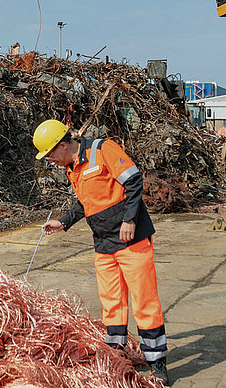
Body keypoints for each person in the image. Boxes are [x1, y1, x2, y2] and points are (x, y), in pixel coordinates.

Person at [33, 119, 170, 385]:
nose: (50, 160)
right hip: (104, 243)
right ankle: (116, 356)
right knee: (112, 303)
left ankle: (158, 364)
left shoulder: (102, 149)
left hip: (132, 240)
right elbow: (87, 201)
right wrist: (63, 222)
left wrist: (130, 220)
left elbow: (133, 181)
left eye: (50, 154)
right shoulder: (72, 167)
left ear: (63, 145)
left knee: (145, 302)